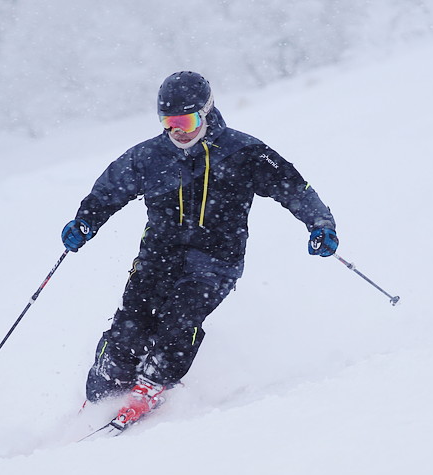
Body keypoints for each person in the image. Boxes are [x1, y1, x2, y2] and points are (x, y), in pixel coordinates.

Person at [62, 71, 338, 428]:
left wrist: (320, 223)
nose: (179, 131)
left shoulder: (244, 153)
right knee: (129, 326)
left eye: (187, 120)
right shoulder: (149, 157)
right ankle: (100, 398)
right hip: (157, 259)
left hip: (216, 262)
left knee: (181, 317)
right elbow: (107, 192)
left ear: (207, 112)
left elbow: (294, 188)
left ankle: (152, 385)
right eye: (170, 122)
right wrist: (86, 222)